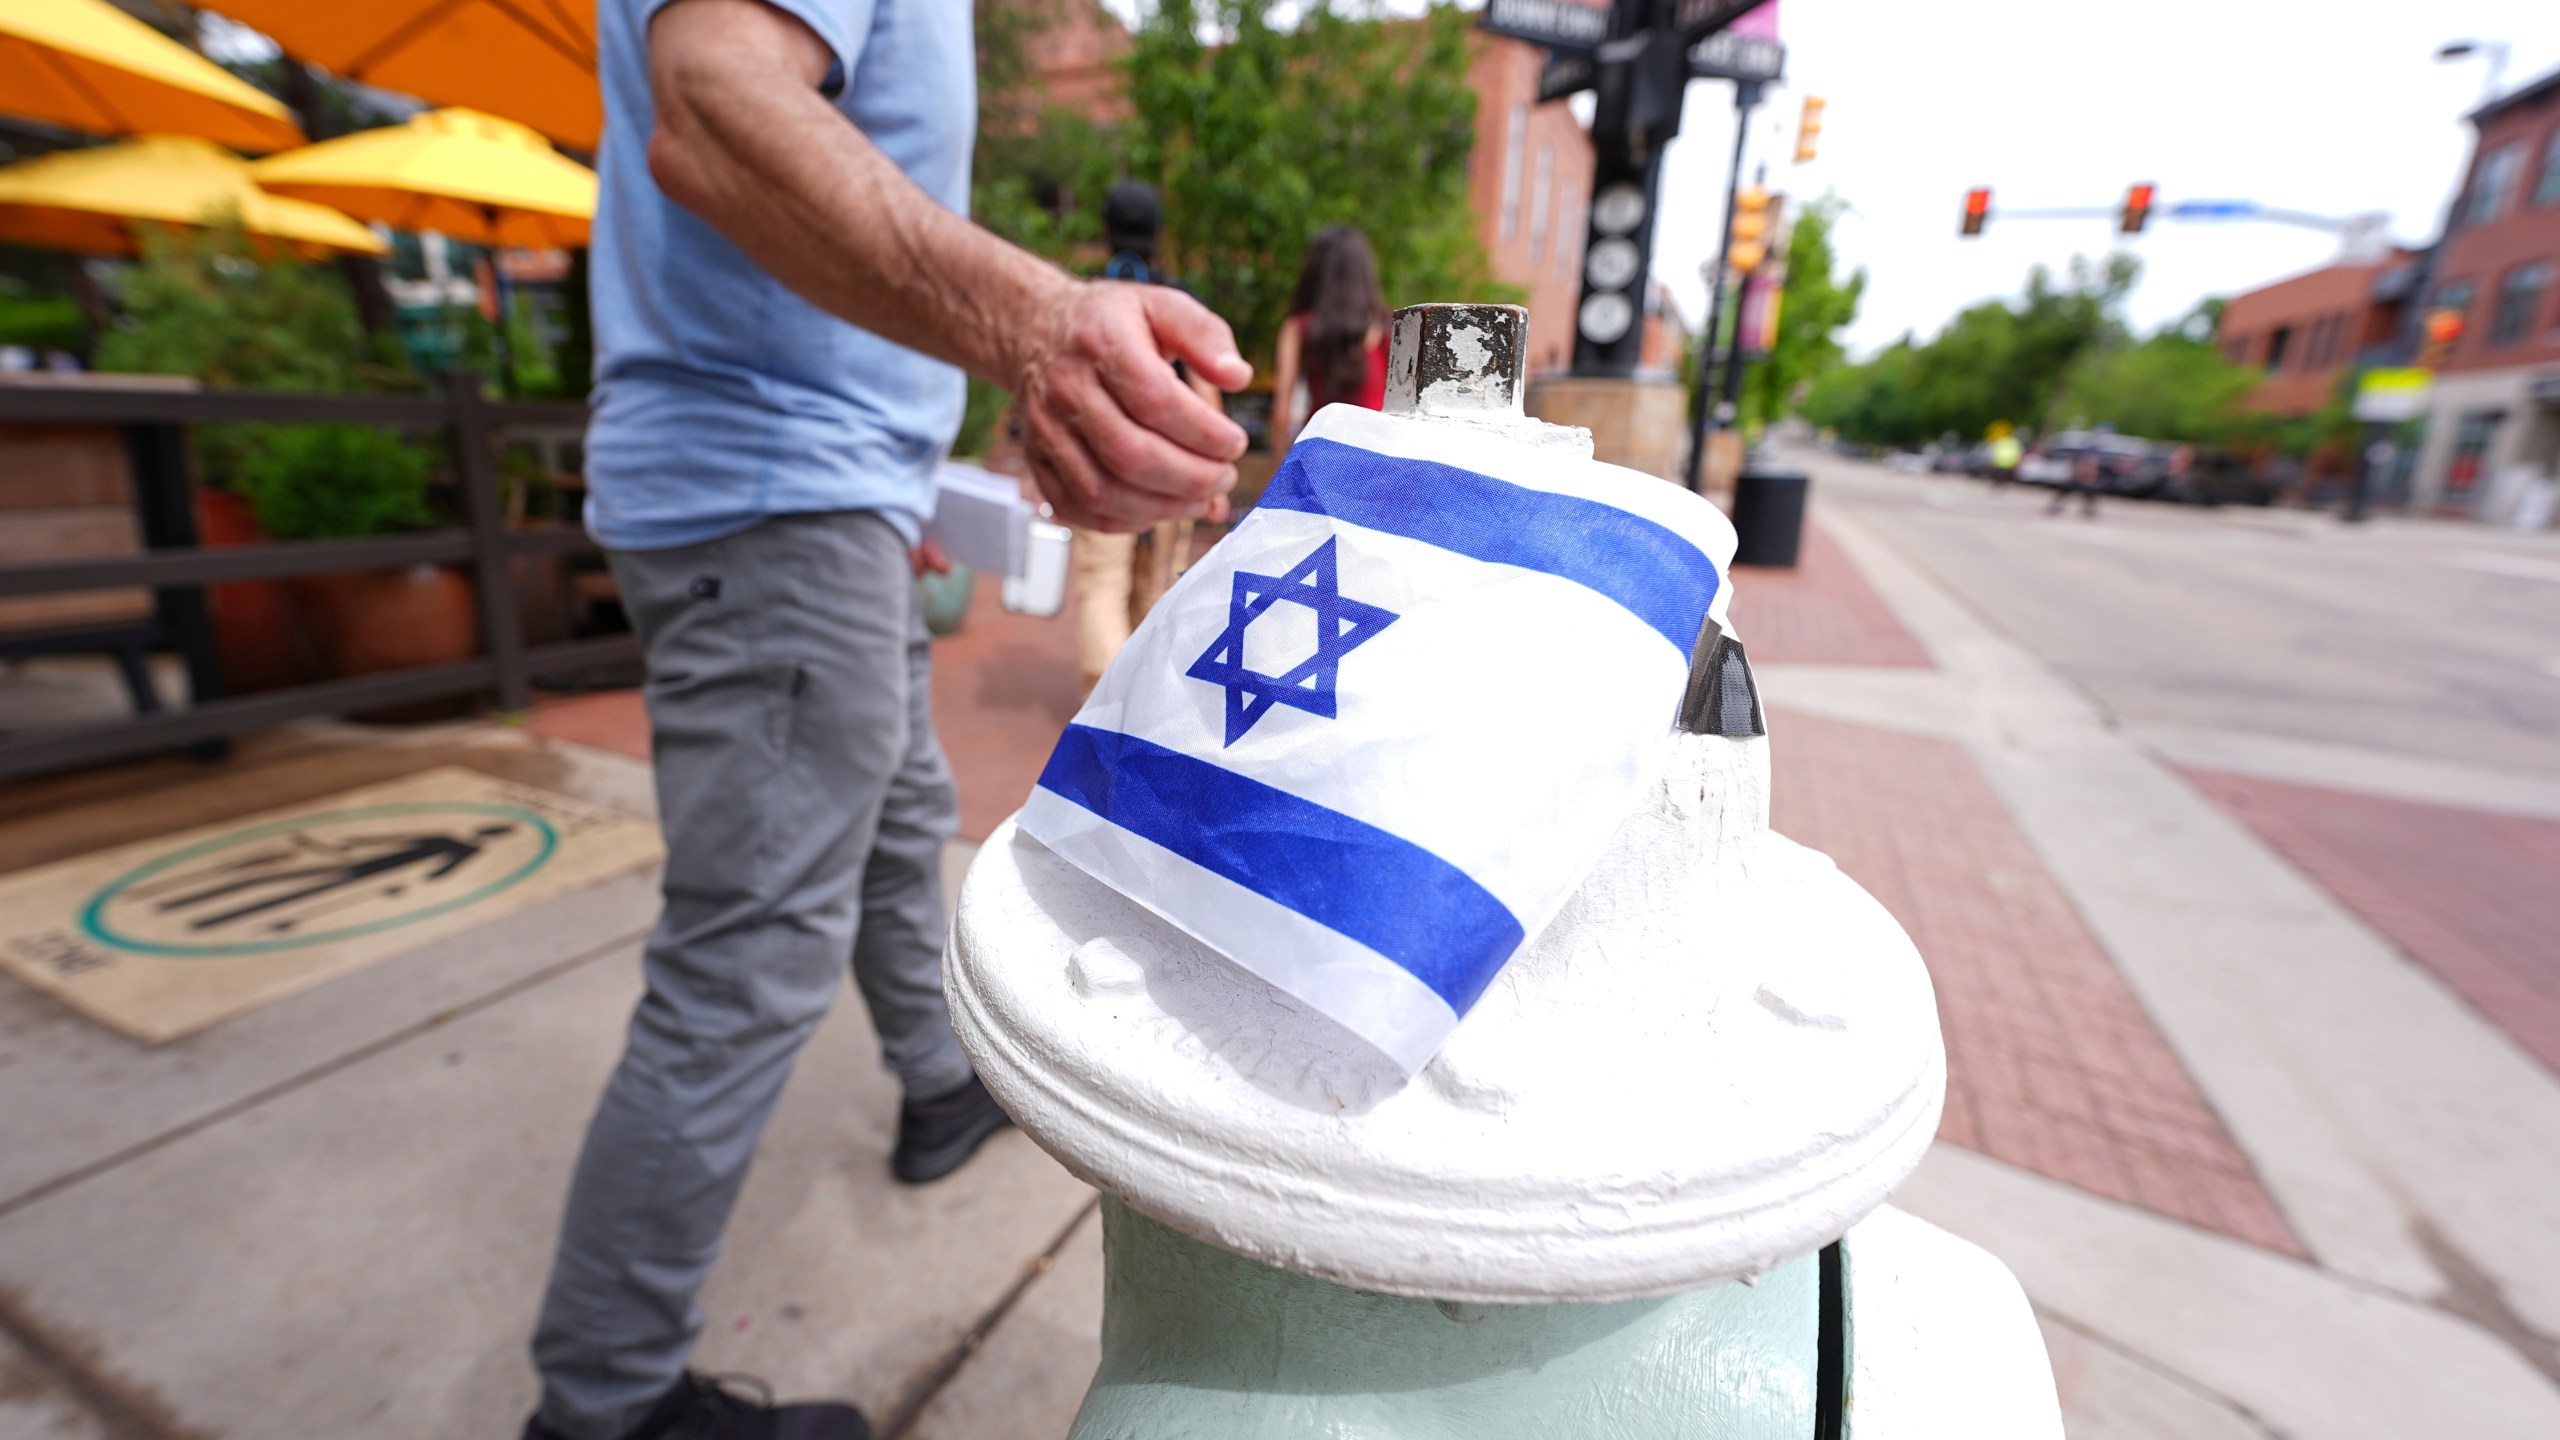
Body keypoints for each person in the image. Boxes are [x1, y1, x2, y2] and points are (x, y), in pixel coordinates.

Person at [524, 3, 1252, 1438]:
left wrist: (899, 478)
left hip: (825, 494)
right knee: (747, 956)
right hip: (775, 494)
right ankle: (604, 1402)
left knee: (904, 808)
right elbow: (714, 106)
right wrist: (1035, 325)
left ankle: (935, 1081)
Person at [1070, 181, 1222, 690]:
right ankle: (1136, 701)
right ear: (1159, 234)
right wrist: (1216, 475)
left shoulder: (1084, 295)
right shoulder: (1178, 300)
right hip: (1167, 466)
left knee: (1102, 583)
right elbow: (1205, 390)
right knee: (1153, 587)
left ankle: (1101, 700)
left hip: (1098, 462)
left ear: (1105, 231)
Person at [1269, 225, 1389, 462]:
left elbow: (1282, 410)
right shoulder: (1390, 325)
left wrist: (1279, 467)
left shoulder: (1299, 328)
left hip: (1320, 458)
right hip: (1376, 457)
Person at [2051, 446, 2102, 518]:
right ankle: (2056, 505)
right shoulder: (2078, 462)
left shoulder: (2092, 464)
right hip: (2076, 481)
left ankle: (2089, 509)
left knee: (2091, 491)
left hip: (2085, 483)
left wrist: (2087, 480)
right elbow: (2075, 474)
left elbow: (2092, 476)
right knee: (2065, 488)